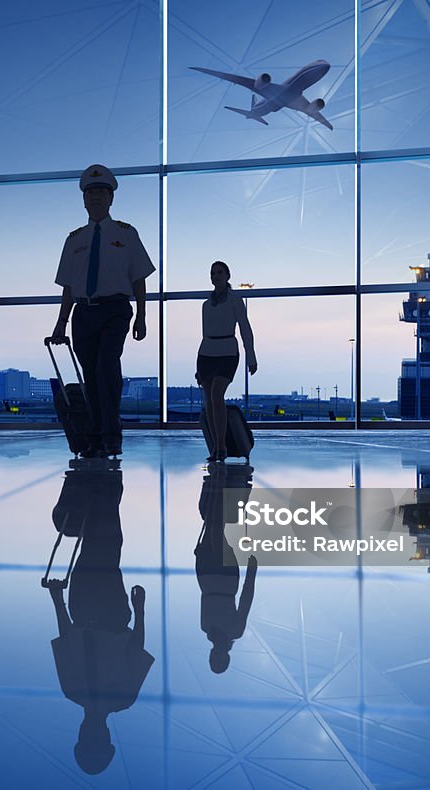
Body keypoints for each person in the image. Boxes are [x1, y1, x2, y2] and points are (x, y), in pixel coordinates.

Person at [46, 460, 154, 775]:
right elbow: (135, 648)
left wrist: (58, 601)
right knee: (103, 547)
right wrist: (140, 610)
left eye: (88, 740)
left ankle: (105, 482)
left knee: (103, 546)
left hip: (96, 611)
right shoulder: (84, 693)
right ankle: (102, 484)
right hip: (101, 612)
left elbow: (68, 640)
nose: (92, 734)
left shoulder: (101, 695)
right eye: (96, 741)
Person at [50, 164, 155, 458]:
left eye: (101, 192)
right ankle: (95, 436)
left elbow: (139, 279)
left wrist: (142, 316)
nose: (96, 197)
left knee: (107, 368)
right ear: (84, 200)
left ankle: (111, 435)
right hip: (84, 314)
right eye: (91, 193)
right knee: (91, 377)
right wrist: (61, 322)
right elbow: (68, 287)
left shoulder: (127, 234)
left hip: (115, 310)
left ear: (111, 199)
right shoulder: (74, 240)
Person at [196, 463, 257, 673]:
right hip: (219, 579)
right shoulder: (231, 630)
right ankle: (220, 482)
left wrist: (251, 573)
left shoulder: (207, 629)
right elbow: (245, 600)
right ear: (226, 656)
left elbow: (245, 600)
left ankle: (223, 483)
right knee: (214, 526)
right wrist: (251, 574)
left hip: (211, 578)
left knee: (214, 526)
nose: (216, 654)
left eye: (214, 658)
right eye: (219, 658)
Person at [197, 261, 257, 462]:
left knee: (216, 395)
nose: (215, 276)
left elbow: (245, 329)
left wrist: (251, 356)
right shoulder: (206, 305)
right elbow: (205, 333)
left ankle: (221, 446)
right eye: (212, 273)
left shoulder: (235, 301)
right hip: (207, 353)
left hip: (227, 352)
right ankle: (215, 446)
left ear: (227, 275)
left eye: (219, 272)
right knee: (209, 401)